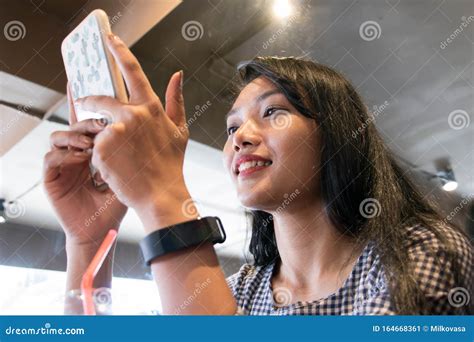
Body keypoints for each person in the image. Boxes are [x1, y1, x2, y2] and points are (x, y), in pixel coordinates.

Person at [43, 33, 473, 315]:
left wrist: (163, 199)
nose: (241, 137)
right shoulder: (242, 292)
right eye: (232, 127)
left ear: (338, 135)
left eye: (273, 111)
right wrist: (87, 242)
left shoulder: (420, 253)